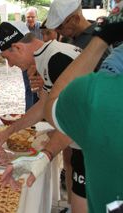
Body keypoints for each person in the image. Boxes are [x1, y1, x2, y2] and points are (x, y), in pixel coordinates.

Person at [1, 13, 123, 213]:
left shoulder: (56, 59)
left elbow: (63, 109)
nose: (11, 65)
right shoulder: (50, 55)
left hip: (93, 153)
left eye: (8, 58)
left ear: (18, 47)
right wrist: (9, 131)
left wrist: (101, 37)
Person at [45, 1, 112, 210]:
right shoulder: (76, 38)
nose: (58, 33)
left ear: (74, 18)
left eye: (61, 27)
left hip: (93, 130)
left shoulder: (94, 43)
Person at [22, 7, 42, 111]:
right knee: (28, 89)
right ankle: (28, 112)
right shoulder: (22, 29)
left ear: (36, 17)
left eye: (32, 17)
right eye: (28, 17)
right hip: (27, 63)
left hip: (40, 62)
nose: (30, 19)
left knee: (39, 88)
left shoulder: (42, 27)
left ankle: (38, 112)